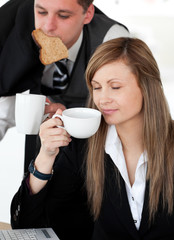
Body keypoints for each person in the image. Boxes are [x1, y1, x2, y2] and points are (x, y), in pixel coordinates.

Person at [11, 37, 174, 239]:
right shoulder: (83, 146)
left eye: (115, 87)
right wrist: (46, 155)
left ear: (147, 87)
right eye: (96, 87)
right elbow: (28, 226)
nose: (102, 99)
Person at [0, 0, 129, 171]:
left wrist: (70, 116)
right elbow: (5, 108)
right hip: (43, 147)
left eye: (63, 16)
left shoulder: (111, 39)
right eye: (41, 12)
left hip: (99, 144)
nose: (48, 26)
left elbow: (127, 115)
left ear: (88, 13)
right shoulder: (13, 35)